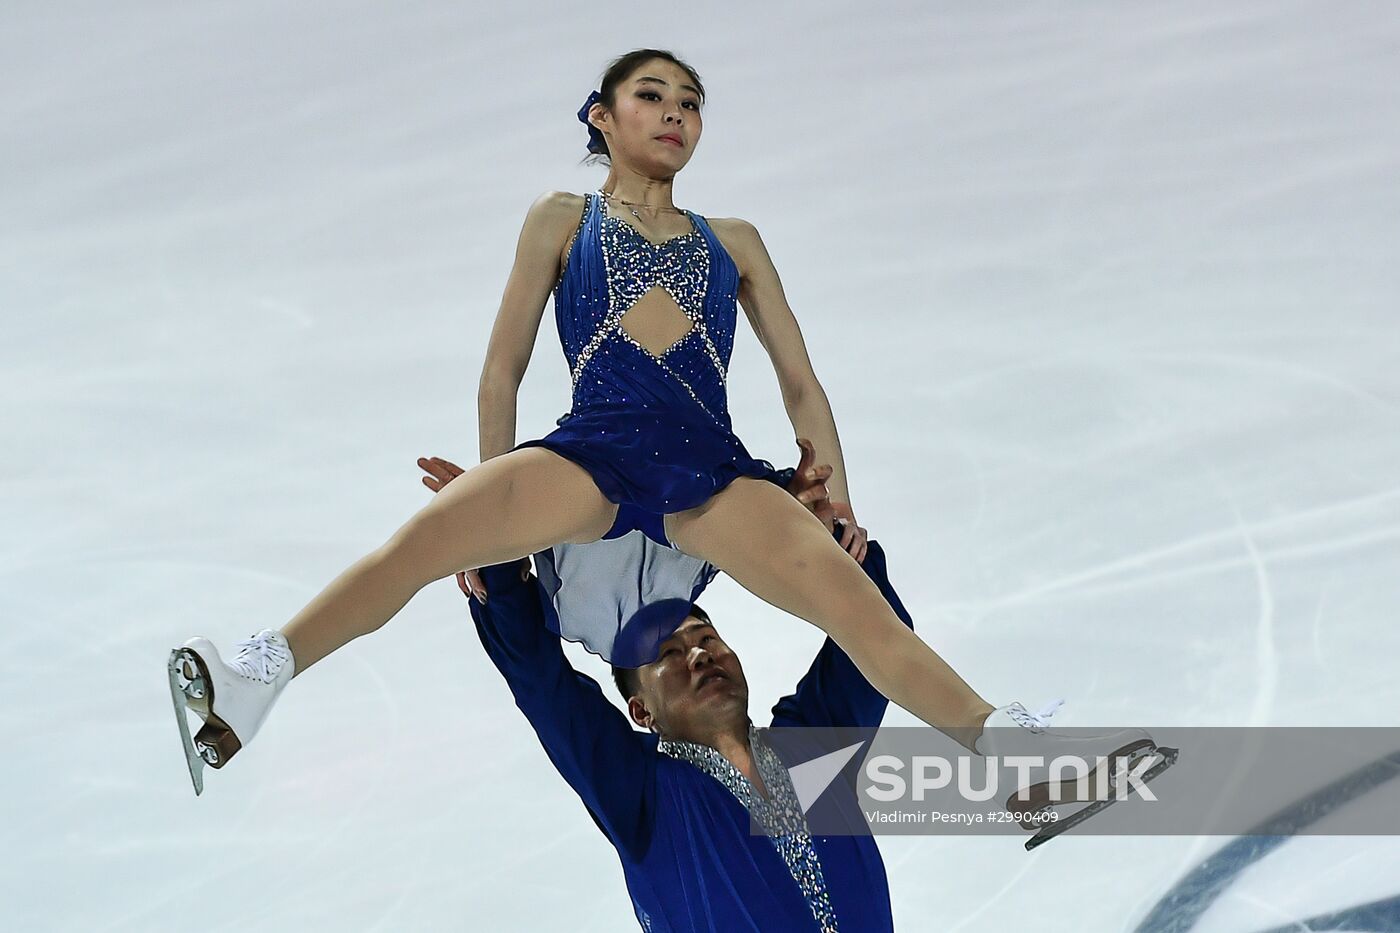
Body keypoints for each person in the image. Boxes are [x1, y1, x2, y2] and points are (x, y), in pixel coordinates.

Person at [167, 48, 1169, 812]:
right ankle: (257, 674)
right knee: (422, 548)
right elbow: (500, 367)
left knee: (857, 611)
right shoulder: (559, 218)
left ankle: (1016, 763)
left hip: (709, 471)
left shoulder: (733, 242)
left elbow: (800, 382)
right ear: (602, 118)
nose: (676, 114)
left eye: (690, 103)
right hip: (588, 452)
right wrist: (496, 502)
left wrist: (835, 495)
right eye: (653, 96)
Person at [433, 448, 900, 932]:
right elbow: (539, 679)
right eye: (669, 655)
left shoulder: (812, 747)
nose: (698, 654)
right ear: (640, 710)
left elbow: (879, 636)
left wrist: (822, 538)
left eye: (706, 639)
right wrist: (496, 560)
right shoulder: (642, 793)